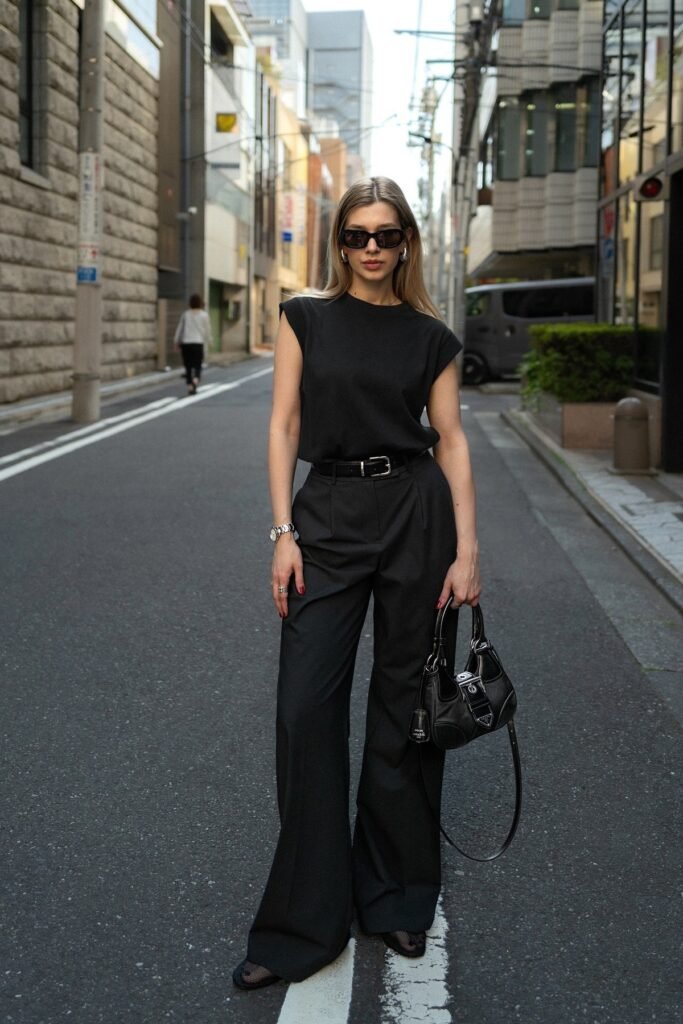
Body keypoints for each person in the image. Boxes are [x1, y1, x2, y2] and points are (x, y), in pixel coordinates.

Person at [233, 176, 480, 991]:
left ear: (405, 241)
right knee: (304, 707)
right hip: (328, 515)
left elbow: (447, 441)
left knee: (404, 708)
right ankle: (303, 920)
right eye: (354, 235)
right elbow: (284, 424)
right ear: (336, 243)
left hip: (415, 510)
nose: (369, 248)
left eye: (384, 234)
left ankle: (397, 899)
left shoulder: (430, 335)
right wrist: (281, 533)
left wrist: (467, 548)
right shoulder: (305, 316)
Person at [173, 293, 211, 395]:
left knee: (188, 366)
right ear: (200, 303)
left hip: (186, 344)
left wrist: (176, 341)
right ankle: (196, 380)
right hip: (198, 343)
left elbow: (180, 329)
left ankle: (190, 386)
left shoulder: (186, 314)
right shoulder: (204, 315)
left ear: (190, 303)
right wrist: (209, 341)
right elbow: (207, 330)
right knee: (198, 365)